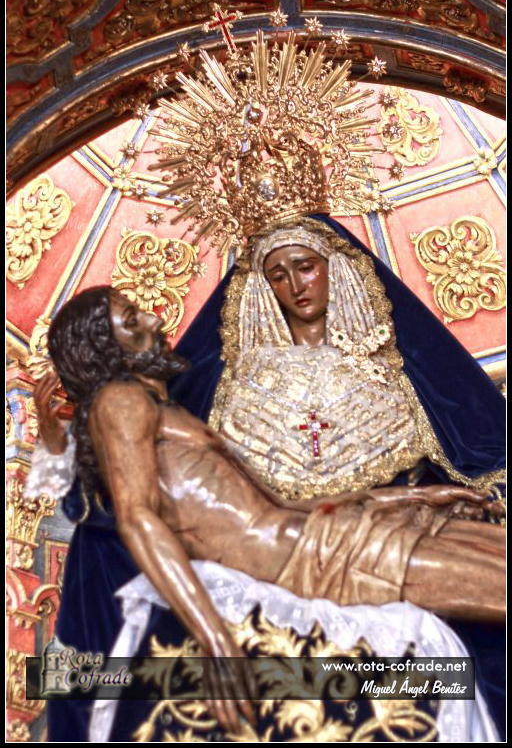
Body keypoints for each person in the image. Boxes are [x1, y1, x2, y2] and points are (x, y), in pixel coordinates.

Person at [31, 218, 505, 741]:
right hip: (308, 562)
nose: (154, 316)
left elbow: (277, 504)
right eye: (130, 318)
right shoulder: (121, 401)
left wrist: (405, 500)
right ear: (104, 348)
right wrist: (214, 639)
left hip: (323, 538)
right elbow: (136, 518)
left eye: (306, 267)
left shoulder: (160, 409)